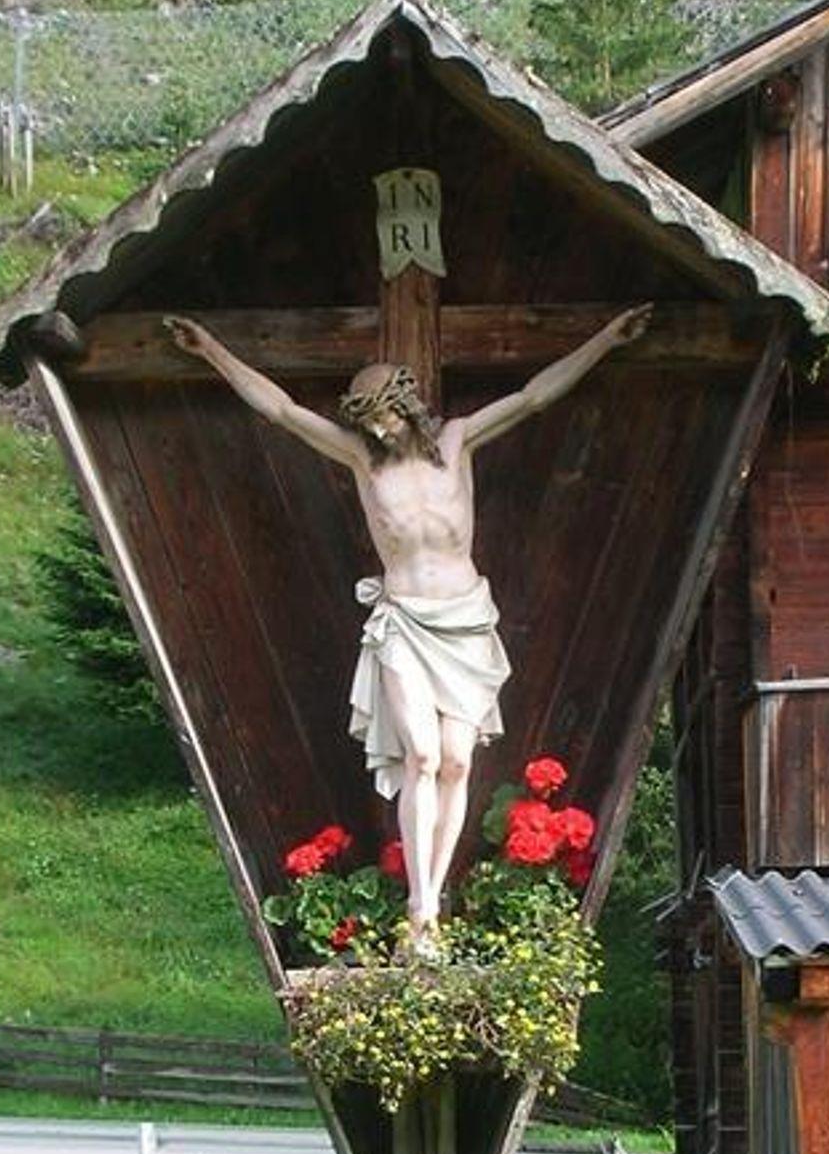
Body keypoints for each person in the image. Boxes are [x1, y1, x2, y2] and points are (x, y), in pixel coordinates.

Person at [164, 302, 653, 949]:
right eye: (368, 421)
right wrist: (211, 350)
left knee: (455, 761)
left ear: (408, 405)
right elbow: (281, 410)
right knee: (420, 754)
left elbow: (535, 395)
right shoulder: (362, 461)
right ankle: (420, 910)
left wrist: (606, 340)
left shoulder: (457, 442)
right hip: (402, 623)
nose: (379, 430)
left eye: (386, 416)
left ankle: (434, 900)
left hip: (464, 620)